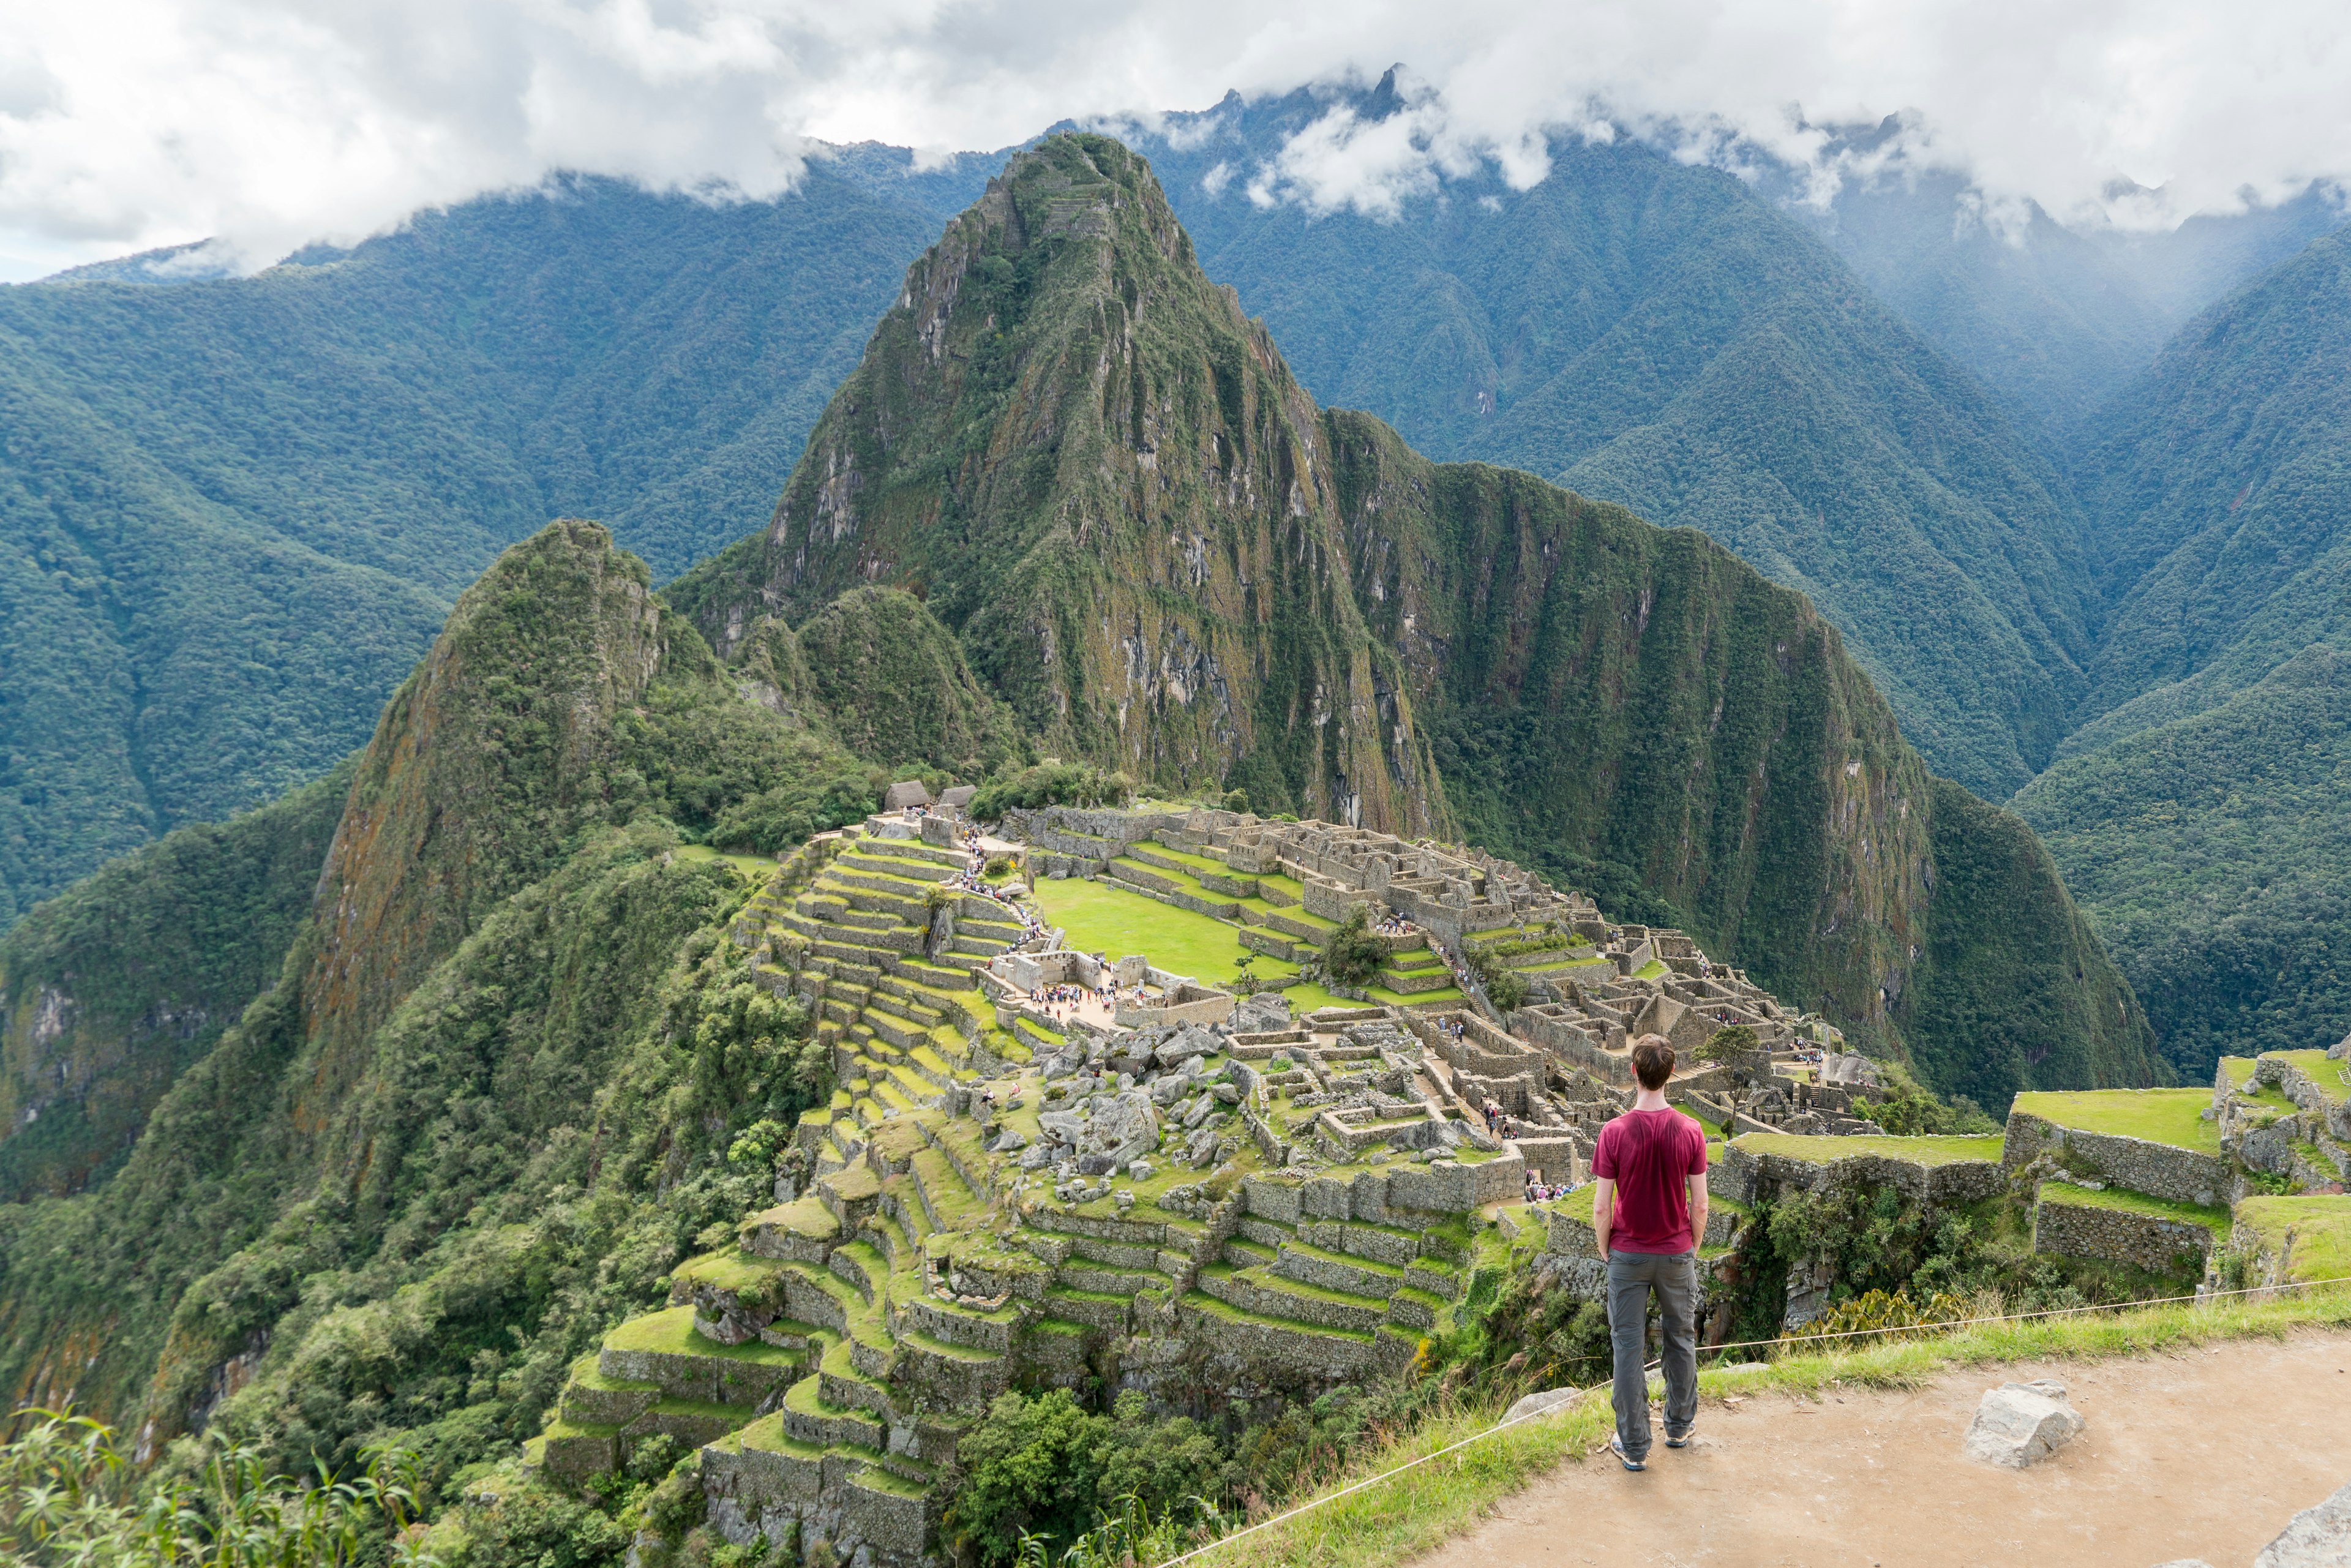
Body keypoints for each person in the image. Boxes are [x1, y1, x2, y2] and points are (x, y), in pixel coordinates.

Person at [1589, 1032, 1708, 1472]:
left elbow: (1602, 1205)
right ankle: (1678, 1426)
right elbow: (1700, 1202)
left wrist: (1606, 1248)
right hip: (1676, 1251)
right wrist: (1691, 1245)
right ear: (1672, 1073)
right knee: (1681, 1337)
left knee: (1627, 1346)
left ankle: (1635, 1445)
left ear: (1633, 1072)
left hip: (1628, 1254)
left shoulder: (1614, 1132)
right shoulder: (1691, 1130)